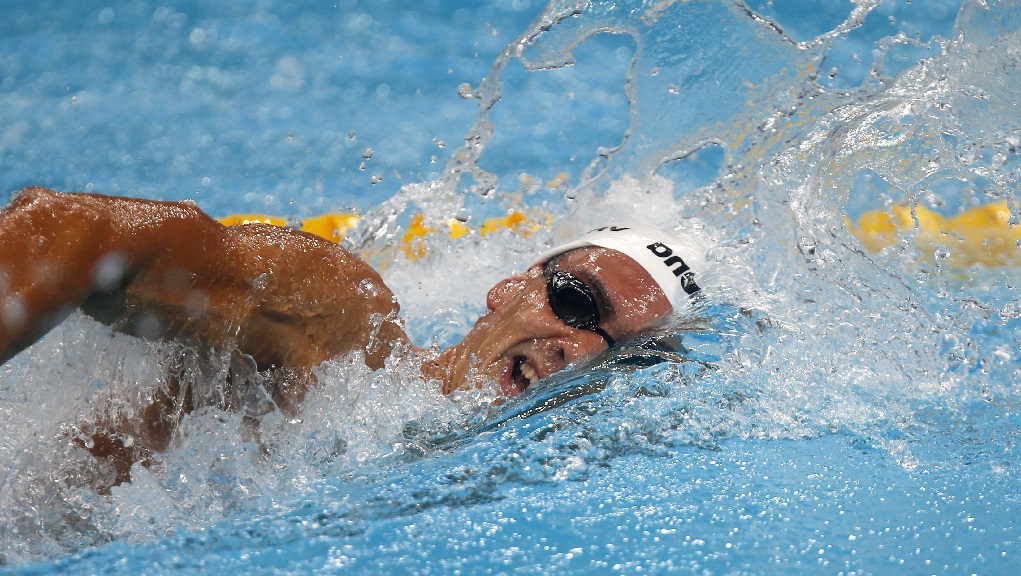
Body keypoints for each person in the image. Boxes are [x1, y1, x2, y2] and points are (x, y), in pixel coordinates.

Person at [0, 186, 705, 484]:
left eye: (623, 353)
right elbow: (71, 230)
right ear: (510, 288)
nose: (577, 348)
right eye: (575, 301)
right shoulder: (343, 333)